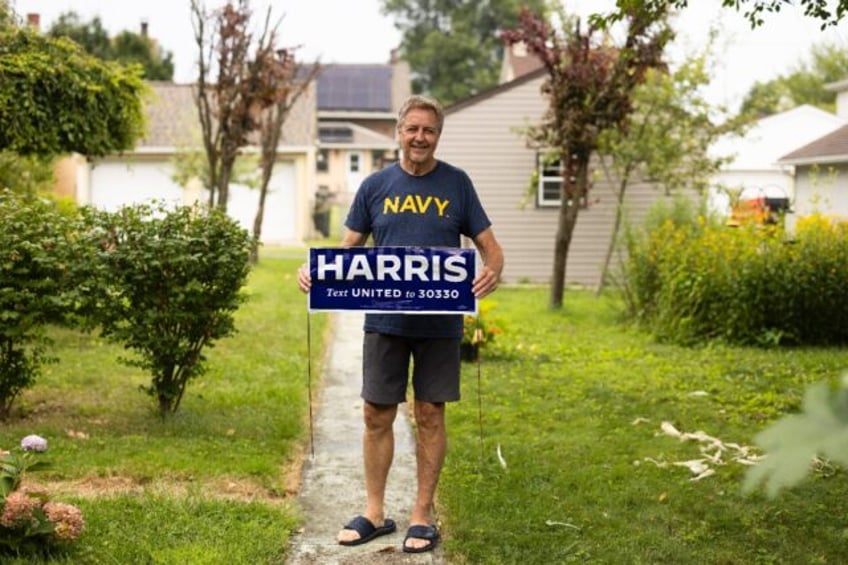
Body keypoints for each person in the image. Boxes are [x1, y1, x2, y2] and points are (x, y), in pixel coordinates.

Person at [297, 94, 504, 554]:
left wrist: (492, 269)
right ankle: (374, 513)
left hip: (439, 324)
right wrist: (317, 271)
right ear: (399, 131)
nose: (419, 137)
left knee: (430, 414)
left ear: (438, 136)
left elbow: (490, 246)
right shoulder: (375, 186)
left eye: (428, 130)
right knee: (377, 413)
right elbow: (347, 248)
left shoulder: (458, 184)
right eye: (412, 128)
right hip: (385, 320)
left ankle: (422, 515)